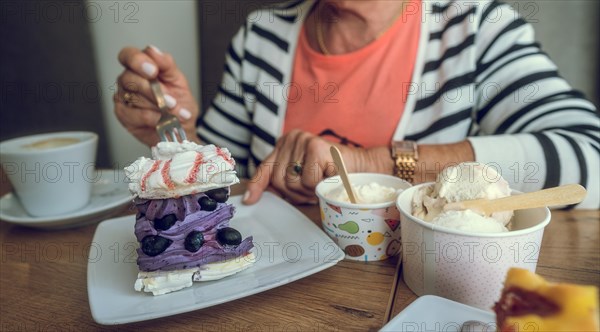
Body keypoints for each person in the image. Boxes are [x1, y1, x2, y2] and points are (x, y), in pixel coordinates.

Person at [114, 0, 599, 209]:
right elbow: (233, 185)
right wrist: (178, 132)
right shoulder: (260, 36)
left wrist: (373, 163)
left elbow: (589, 160)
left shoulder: (478, 29)